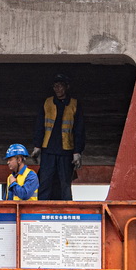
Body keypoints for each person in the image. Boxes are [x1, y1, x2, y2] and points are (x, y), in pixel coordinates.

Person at [32, 73, 86, 201]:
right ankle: (41, 210)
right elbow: (40, 125)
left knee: (65, 183)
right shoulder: (47, 103)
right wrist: (37, 146)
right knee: (45, 181)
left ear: (67, 87)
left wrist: (77, 152)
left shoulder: (74, 104)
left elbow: (79, 130)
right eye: (55, 86)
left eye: (60, 86)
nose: (57, 89)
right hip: (48, 150)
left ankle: (66, 210)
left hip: (66, 151)